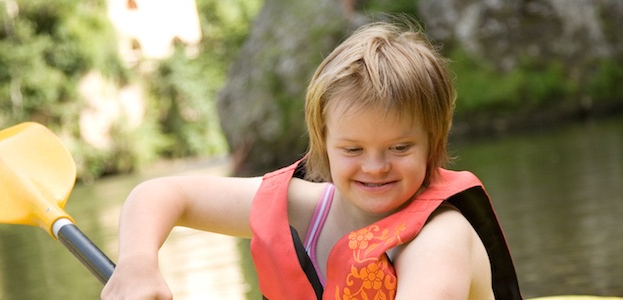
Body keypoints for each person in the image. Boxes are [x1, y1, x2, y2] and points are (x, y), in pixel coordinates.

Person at [102, 19, 521, 300]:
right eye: (353, 150)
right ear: (323, 143)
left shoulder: (439, 238)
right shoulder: (306, 209)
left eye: (399, 148)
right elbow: (162, 193)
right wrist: (138, 263)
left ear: (434, 141)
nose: (375, 166)